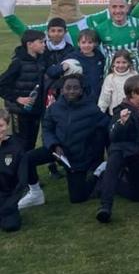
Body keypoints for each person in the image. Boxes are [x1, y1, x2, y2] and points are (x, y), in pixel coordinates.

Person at [18, 75, 108, 208]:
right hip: (57, 151)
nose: (71, 91)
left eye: (75, 88)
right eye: (68, 88)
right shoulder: (54, 108)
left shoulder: (92, 110)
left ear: (81, 90)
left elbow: (107, 126)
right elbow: (47, 129)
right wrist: (54, 145)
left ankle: (98, 172)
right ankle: (35, 194)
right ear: (62, 90)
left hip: (77, 158)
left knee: (78, 199)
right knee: (27, 158)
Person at [96, 76, 139, 223]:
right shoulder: (121, 110)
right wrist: (122, 123)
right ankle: (105, 206)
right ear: (134, 94)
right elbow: (113, 135)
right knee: (113, 162)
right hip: (123, 150)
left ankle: (105, 178)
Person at [0, 30, 46, 151]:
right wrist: (17, 98)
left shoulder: (42, 60)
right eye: (41, 42)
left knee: (31, 142)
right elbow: (2, 85)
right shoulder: (18, 63)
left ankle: (29, 168)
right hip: (19, 112)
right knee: (20, 143)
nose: (44, 45)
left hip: (35, 110)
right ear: (29, 44)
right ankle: (16, 168)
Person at [0, 109, 28, 232]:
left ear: (7, 125)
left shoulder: (17, 148)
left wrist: (10, 204)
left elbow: (22, 181)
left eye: (0, 125)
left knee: (11, 226)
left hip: (7, 196)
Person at [98, 50, 138, 115]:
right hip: (115, 113)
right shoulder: (110, 78)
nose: (121, 65)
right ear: (113, 63)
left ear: (129, 63)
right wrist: (100, 113)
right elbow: (104, 99)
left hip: (132, 112)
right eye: (118, 62)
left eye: (124, 62)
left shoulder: (134, 75)